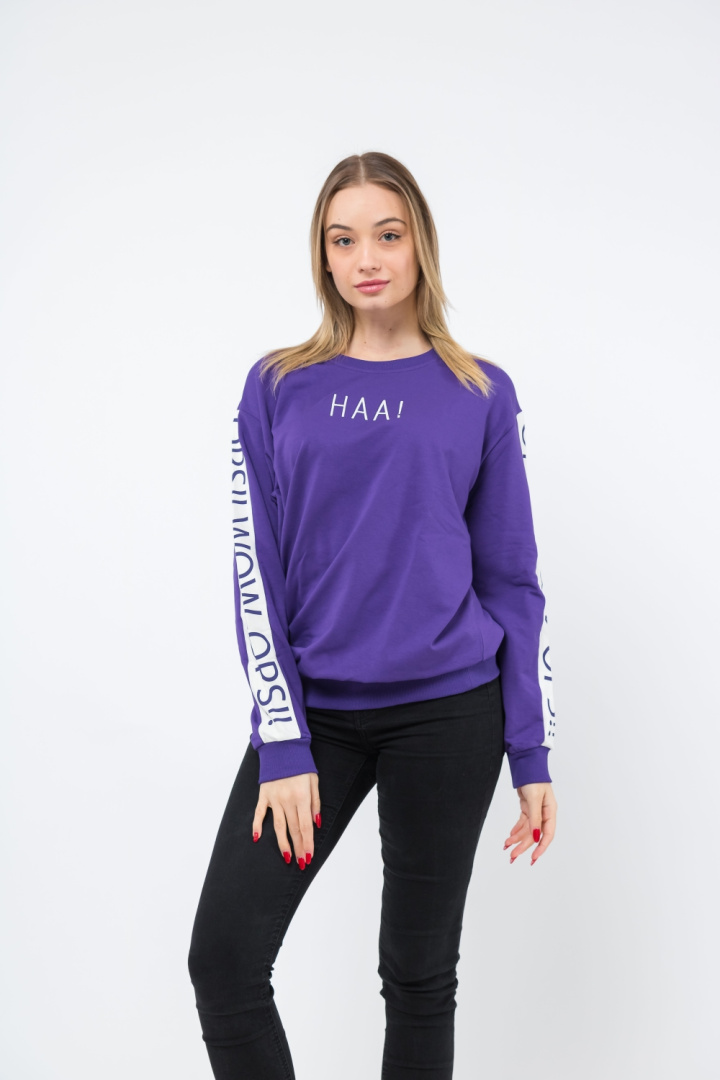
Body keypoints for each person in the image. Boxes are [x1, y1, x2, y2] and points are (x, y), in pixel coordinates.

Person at [187, 150, 558, 1080]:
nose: (367, 259)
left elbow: (512, 581)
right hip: (316, 716)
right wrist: (282, 740)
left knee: (419, 979)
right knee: (225, 962)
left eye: (387, 235)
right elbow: (254, 569)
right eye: (342, 239)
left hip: (451, 715)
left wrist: (531, 750)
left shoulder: (480, 391)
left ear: (419, 243)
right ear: (321, 254)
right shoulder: (278, 386)